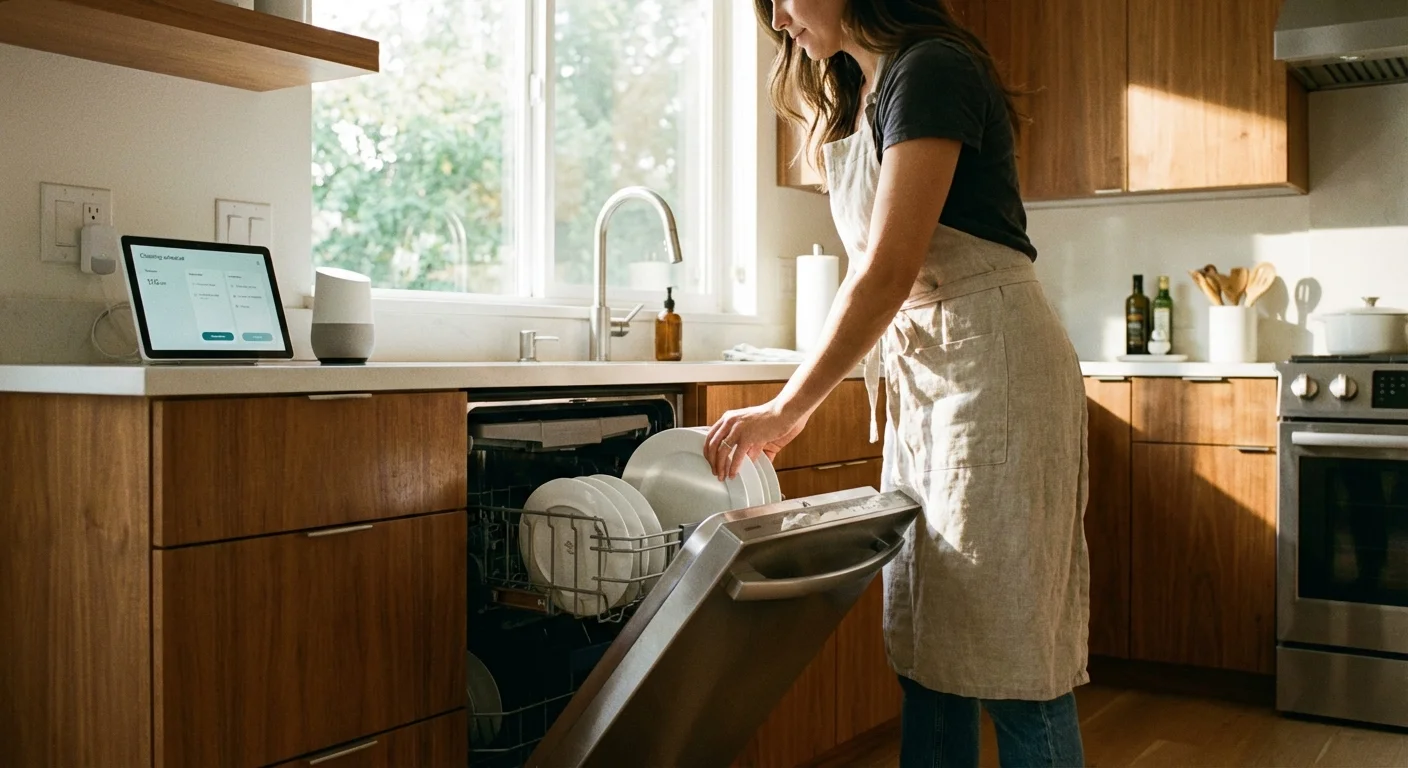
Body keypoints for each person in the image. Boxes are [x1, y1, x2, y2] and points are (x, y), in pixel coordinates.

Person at [702, 1, 1090, 766]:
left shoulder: (931, 69)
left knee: (1017, 655)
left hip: (996, 370)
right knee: (928, 643)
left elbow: (886, 271)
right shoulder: (868, 90)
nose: (779, 18)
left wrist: (788, 407)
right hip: (933, 378)